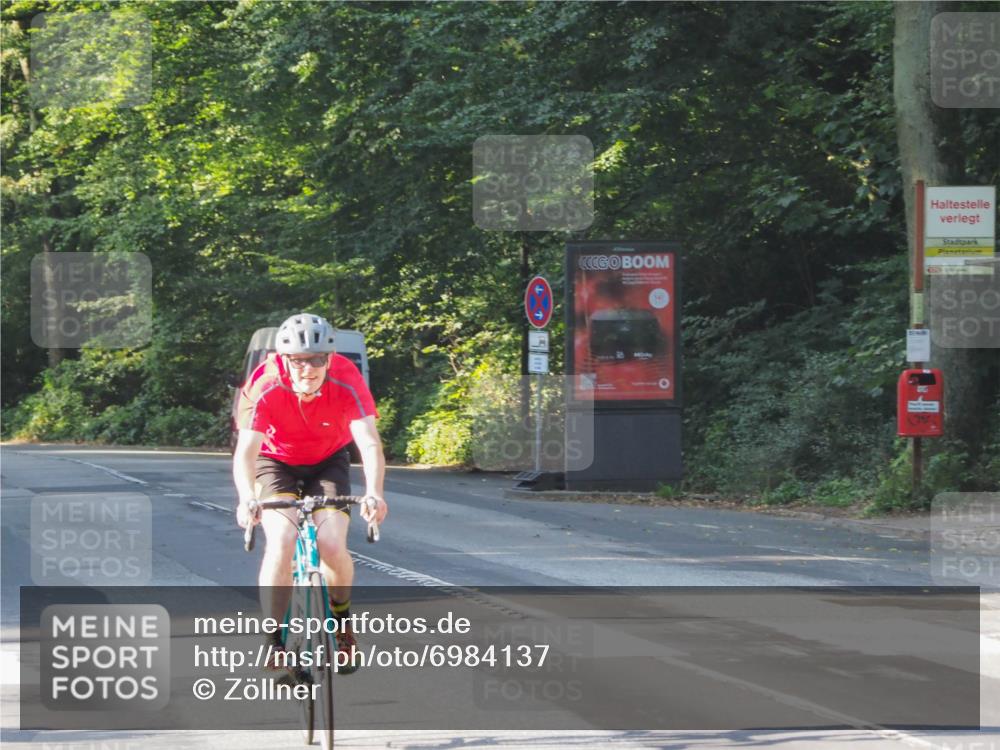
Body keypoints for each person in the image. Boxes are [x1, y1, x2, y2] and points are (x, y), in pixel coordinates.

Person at [233, 313, 388, 675]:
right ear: (285, 361)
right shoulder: (265, 384)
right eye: (299, 361)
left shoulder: (346, 378)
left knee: (332, 544)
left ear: (330, 359)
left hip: (327, 459)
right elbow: (247, 451)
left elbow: (367, 441)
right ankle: (273, 641)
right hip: (276, 461)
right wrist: (246, 497)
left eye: (317, 359)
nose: (308, 369)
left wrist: (375, 493)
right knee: (282, 540)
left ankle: (342, 627)